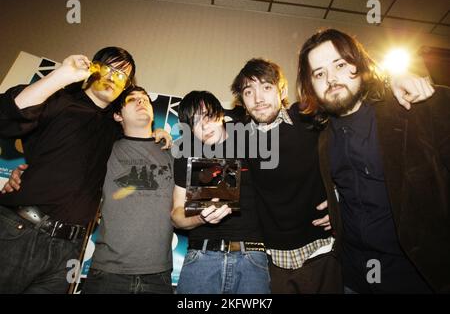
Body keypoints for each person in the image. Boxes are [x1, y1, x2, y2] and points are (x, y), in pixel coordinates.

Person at [230, 57, 435, 293]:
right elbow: (204, 135)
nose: (258, 98)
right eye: (248, 91)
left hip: (323, 251)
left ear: (281, 90)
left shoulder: (309, 118)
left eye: (266, 87)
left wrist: (395, 80)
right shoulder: (239, 138)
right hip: (270, 259)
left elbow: (351, 101)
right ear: (242, 101)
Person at [296, 28, 449, 293]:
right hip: (355, 276)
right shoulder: (322, 135)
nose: (331, 79)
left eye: (340, 65)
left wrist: (395, 76)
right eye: (319, 74)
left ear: (360, 65)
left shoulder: (416, 106)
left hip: (420, 276)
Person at [0, 47, 165, 293]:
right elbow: (6, 118)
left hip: (69, 249)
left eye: (122, 75)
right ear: (93, 68)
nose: (112, 76)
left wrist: (158, 133)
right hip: (18, 233)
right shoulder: (57, 100)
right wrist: (61, 76)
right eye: (108, 68)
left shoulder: (116, 128)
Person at [171, 90, 270, 294]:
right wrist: (201, 218)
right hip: (201, 255)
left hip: (252, 256)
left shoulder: (250, 136)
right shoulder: (185, 152)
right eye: (195, 123)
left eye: (207, 116)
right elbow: (176, 216)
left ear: (220, 114)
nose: (204, 126)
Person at [78, 85, 174, 294]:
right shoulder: (104, 149)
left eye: (145, 99)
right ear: (117, 115)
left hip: (159, 275)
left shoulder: (173, 153)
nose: (141, 102)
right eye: (132, 99)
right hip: (108, 273)